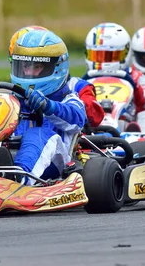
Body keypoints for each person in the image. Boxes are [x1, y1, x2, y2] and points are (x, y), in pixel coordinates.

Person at [9, 29, 87, 185]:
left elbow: (77, 121)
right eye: (25, 67)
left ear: (56, 68)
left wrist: (48, 106)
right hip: (11, 152)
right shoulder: (13, 101)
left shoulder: (69, 98)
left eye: (36, 67)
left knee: (37, 133)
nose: (29, 72)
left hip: (55, 162)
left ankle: (20, 180)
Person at [8, 25, 104, 127]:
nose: (27, 73)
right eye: (25, 65)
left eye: (36, 66)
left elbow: (94, 116)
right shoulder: (14, 96)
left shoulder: (77, 86)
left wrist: (54, 106)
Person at [81, 22, 145, 133]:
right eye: (99, 56)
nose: (105, 61)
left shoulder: (136, 77)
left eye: (112, 56)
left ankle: (140, 137)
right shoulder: (83, 82)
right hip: (91, 127)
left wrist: (137, 89)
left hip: (127, 126)